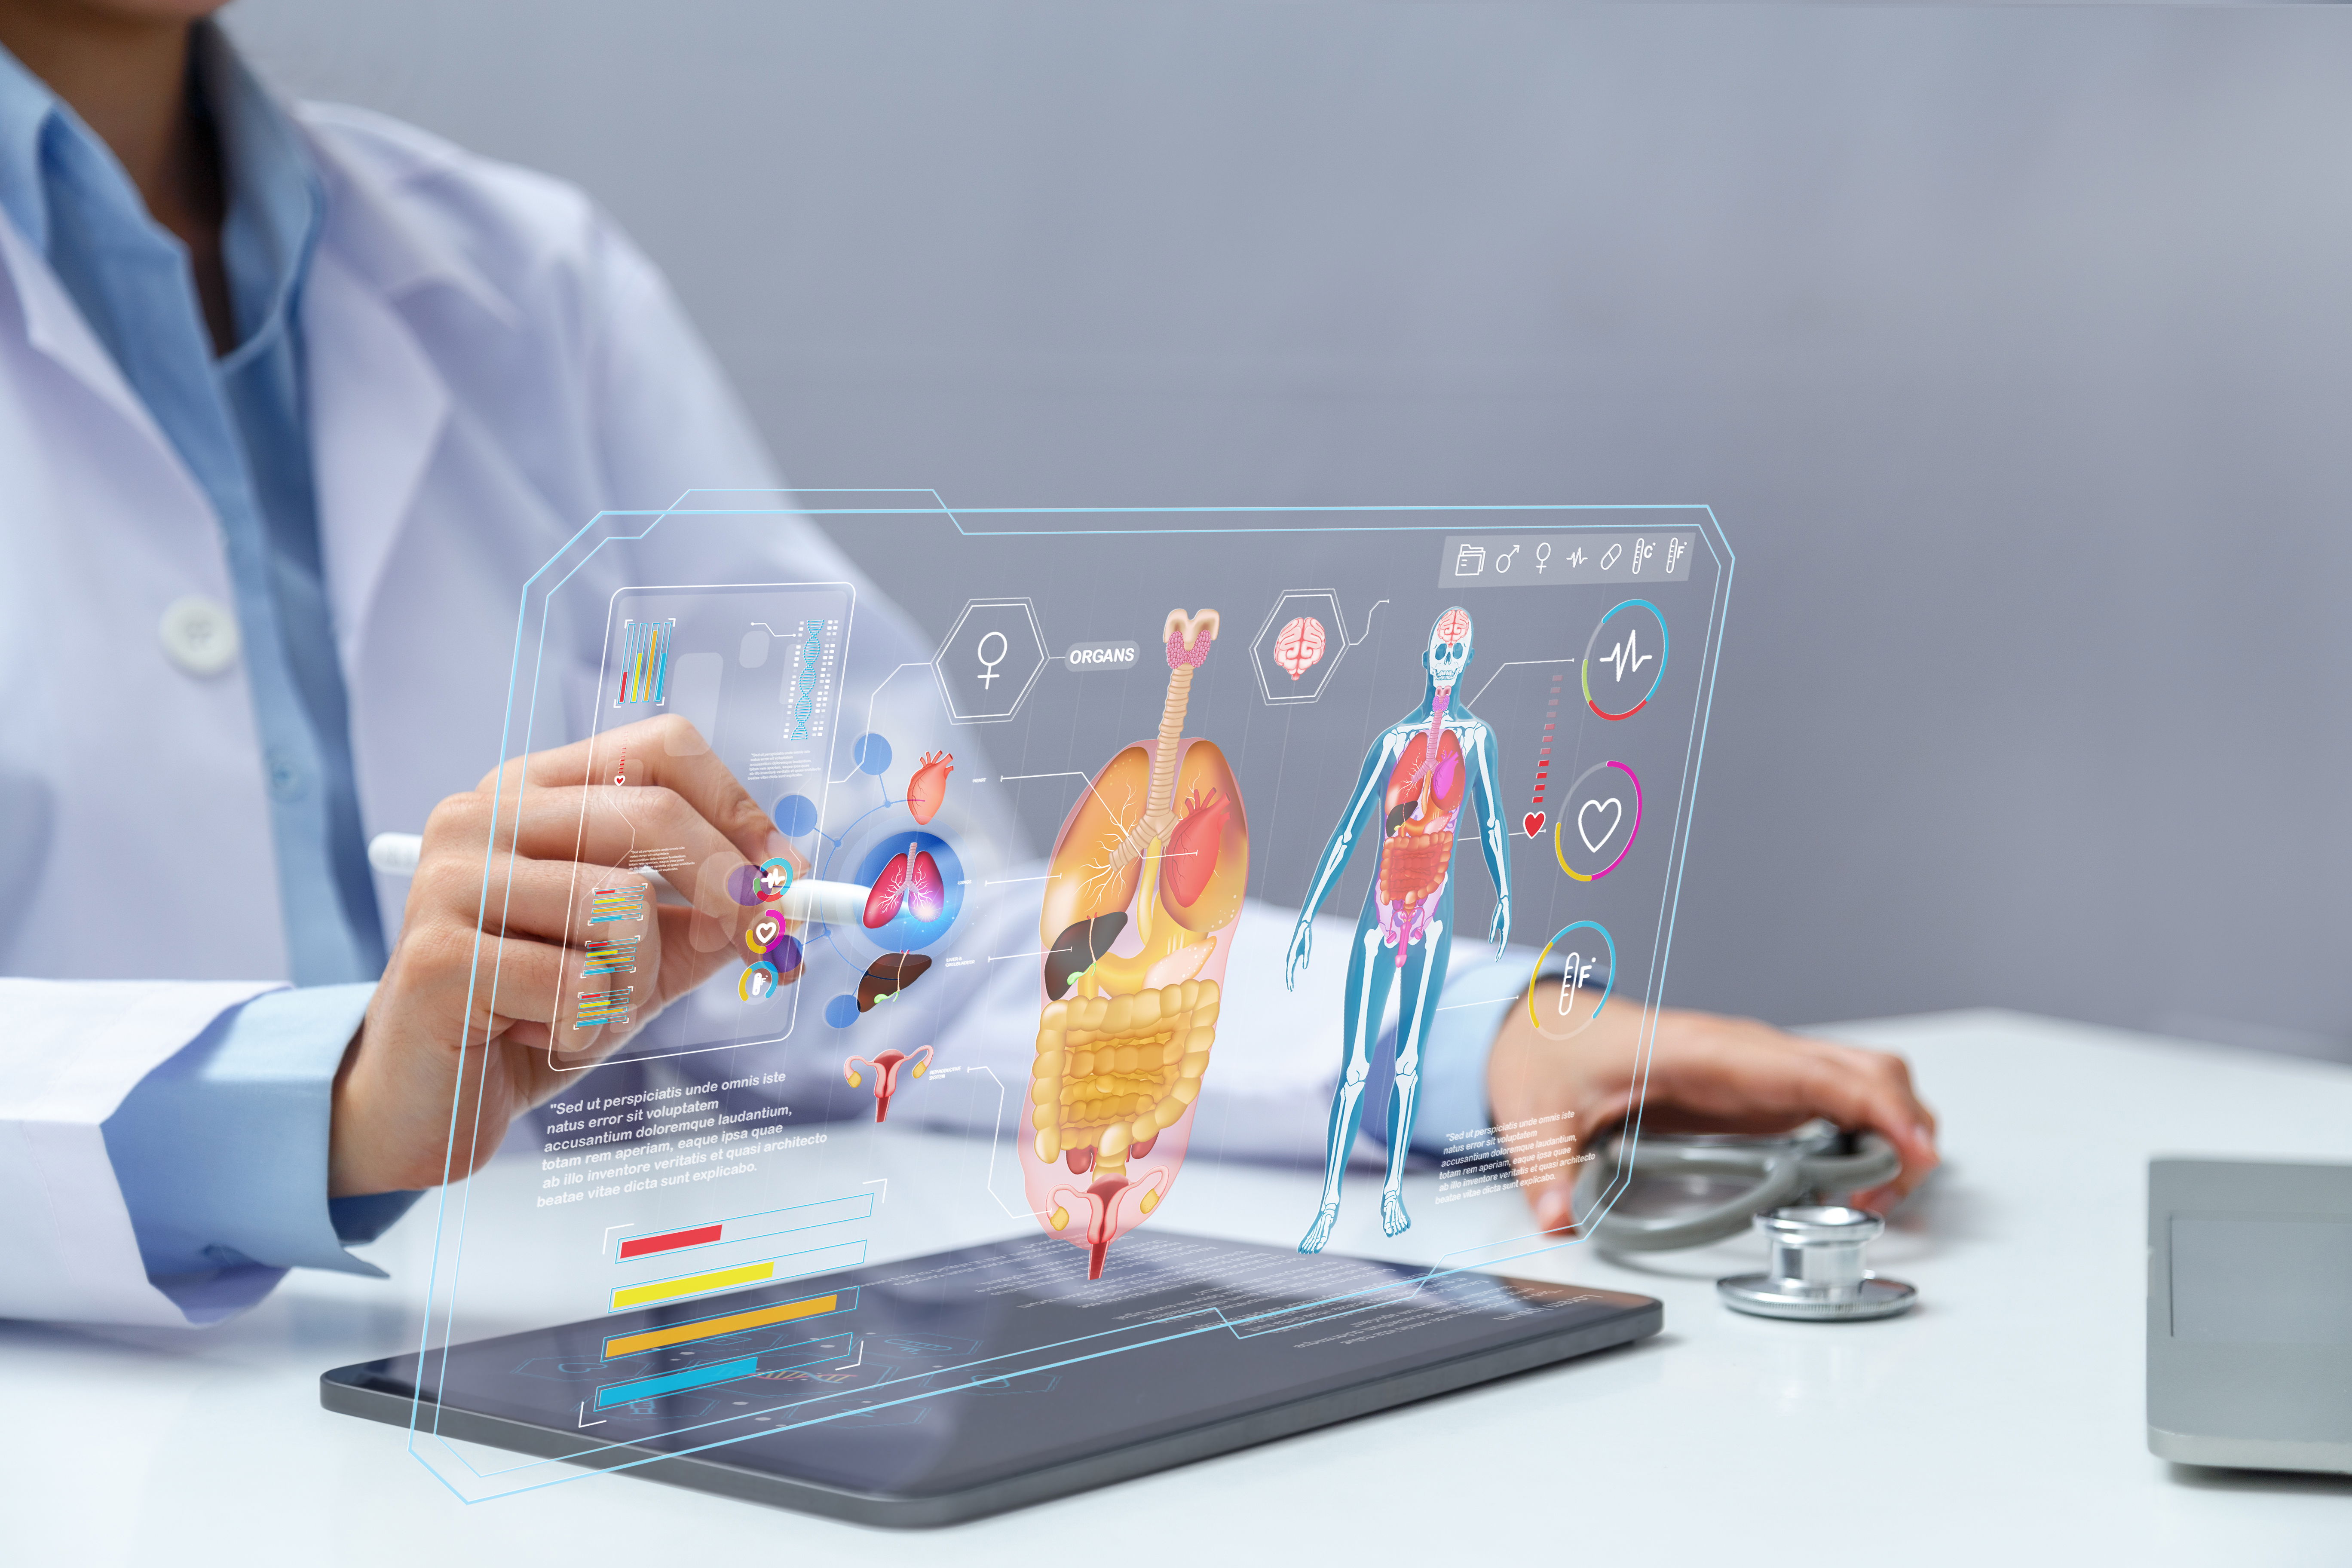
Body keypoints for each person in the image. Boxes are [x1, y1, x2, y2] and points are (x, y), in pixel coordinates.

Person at [0, 0, 1938, 1327]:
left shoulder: (520, 286)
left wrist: (1452, 1034)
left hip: (545, 1407)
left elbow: (876, 932)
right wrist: (321, 1106)